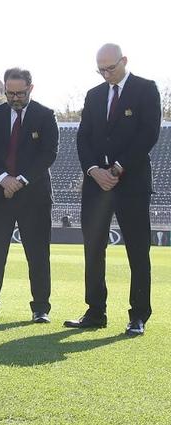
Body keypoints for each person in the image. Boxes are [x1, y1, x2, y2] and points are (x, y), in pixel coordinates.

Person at [66, 44, 161, 336]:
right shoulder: (94, 95)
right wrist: (93, 171)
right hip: (97, 184)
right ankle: (95, 312)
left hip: (131, 182)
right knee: (93, 248)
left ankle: (138, 315)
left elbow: (148, 134)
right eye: (101, 69)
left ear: (124, 61)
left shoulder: (146, 89)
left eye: (111, 68)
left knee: (137, 249)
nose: (106, 74)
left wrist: (117, 168)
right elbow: (83, 137)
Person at [0, 67, 58, 323]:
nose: (14, 98)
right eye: (9, 93)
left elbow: (48, 154)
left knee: (38, 254)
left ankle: (40, 308)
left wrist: (19, 180)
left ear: (30, 88)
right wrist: (3, 179)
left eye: (20, 93)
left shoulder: (45, 115)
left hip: (34, 197)